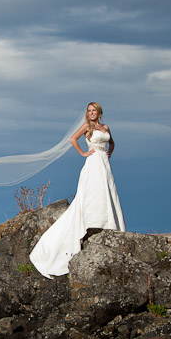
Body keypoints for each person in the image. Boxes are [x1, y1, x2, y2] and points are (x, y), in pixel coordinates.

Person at [29, 102, 125, 278]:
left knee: (106, 192)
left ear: (99, 112)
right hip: (93, 162)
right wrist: (83, 153)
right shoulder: (87, 126)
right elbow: (72, 139)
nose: (91, 113)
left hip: (104, 163)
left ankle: (108, 222)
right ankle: (91, 223)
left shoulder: (105, 127)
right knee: (91, 193)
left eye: (94, 110)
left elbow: (112, 142)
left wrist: (109, 152)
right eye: (89, 111)